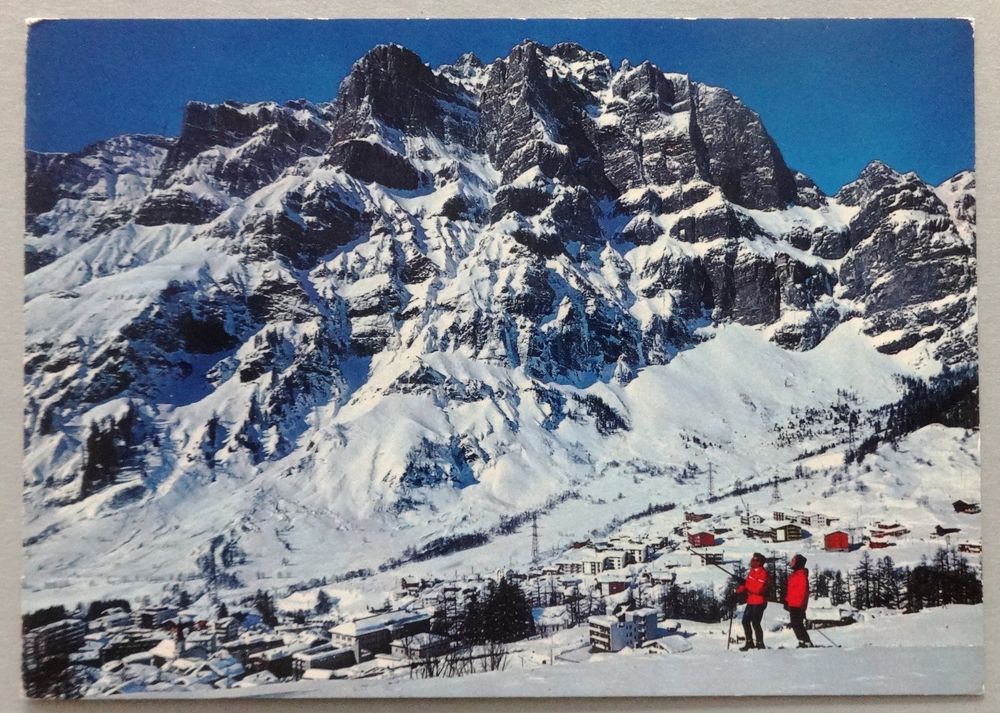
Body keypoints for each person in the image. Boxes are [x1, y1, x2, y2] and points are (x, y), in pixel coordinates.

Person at [736, 552, 769, 651]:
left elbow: (758, 589)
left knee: (755, 623)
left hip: (759, 602)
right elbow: (747, 585)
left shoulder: (763, 573)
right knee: (745, 622)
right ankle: (749, 643)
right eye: (752, 559)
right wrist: (737, 591)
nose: (752, 561)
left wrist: (744, 583)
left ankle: (760, 644)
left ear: (759, 562)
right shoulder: (752, 572)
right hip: (751, 601)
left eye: (754, 560)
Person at [785, 553, 813, 648]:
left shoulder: (801, 575)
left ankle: (806, 641)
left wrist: (800, 605)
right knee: (796, 624)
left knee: (797, 624)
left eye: (793, 561)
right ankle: (802, 641)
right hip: (793, 604)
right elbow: (791, 591)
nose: (792, 563)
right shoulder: (795, 575)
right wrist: (787, 601)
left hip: (797, 605)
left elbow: (803, 591)